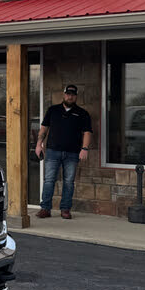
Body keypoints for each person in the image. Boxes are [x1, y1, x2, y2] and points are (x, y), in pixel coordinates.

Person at [34, 84, 93, 219]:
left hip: (72, 153)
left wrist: (84, 148)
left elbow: (87, 132)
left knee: (68, 181)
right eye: (68, 94)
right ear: (64, 94)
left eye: (72, 94)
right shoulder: (53, 110)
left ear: (76, 96)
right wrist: (38, 144)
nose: (70, 96)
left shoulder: (82, 113)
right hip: (53, 151)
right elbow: (44, 129)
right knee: (49, 180)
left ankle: (65, 209)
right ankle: (45, 209)